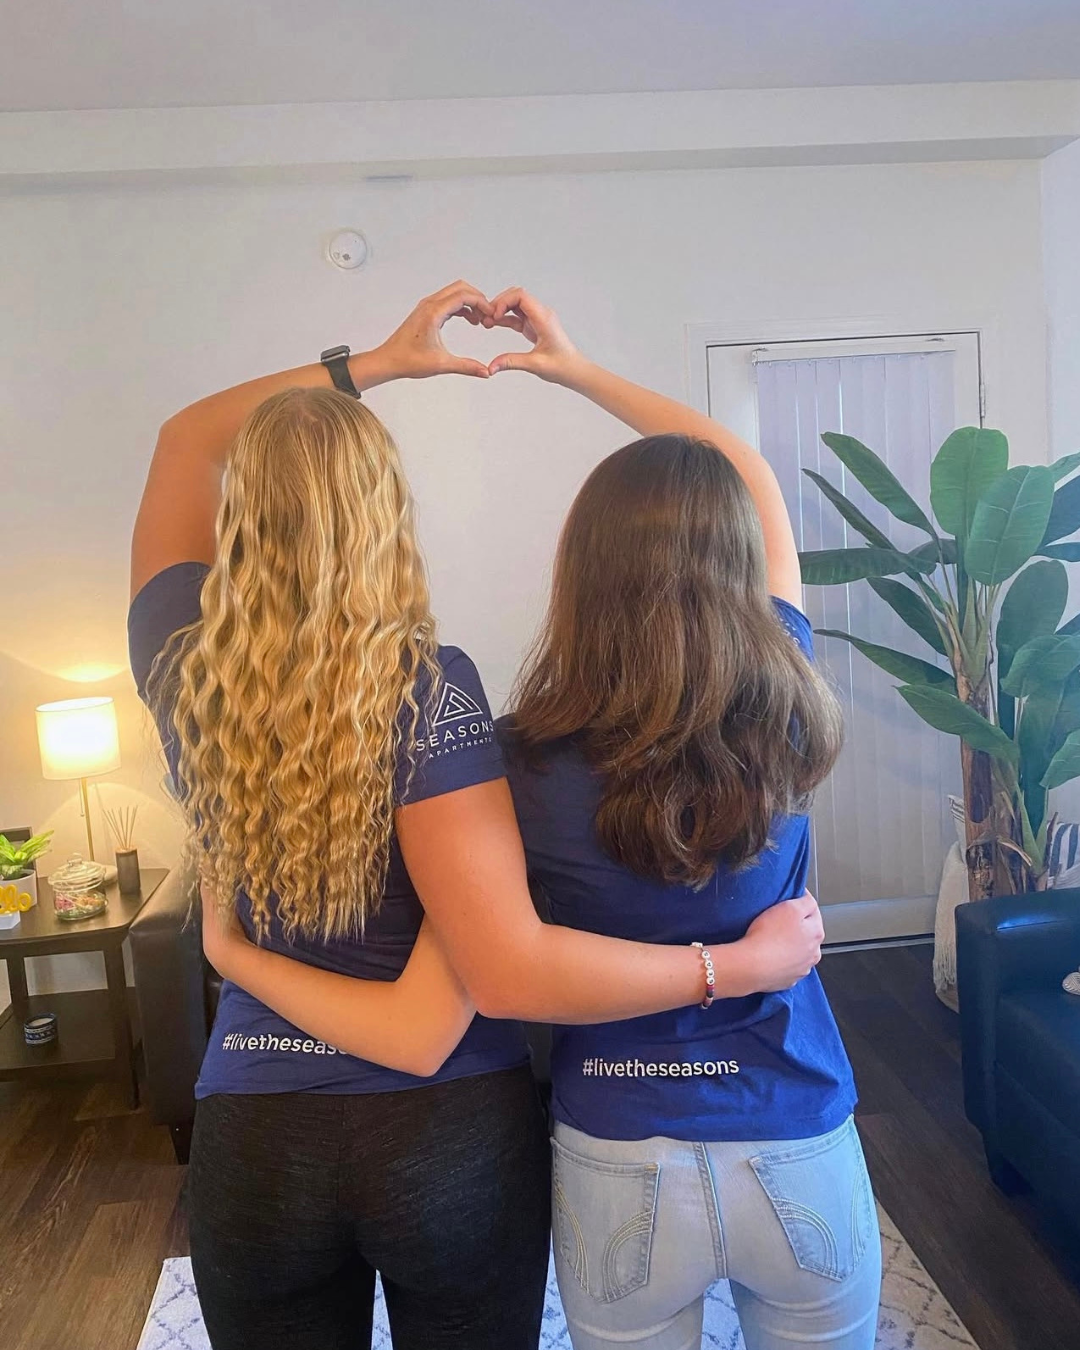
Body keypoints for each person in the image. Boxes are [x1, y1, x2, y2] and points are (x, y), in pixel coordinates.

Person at [128, 281, 826, 1350]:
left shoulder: (181, 660)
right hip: (444, 1138)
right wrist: (561, 367)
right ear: (388, 520)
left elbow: (185, 439)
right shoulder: (430, 690)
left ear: (238, 516)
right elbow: (428, 1026)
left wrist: (379, 362)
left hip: (255, 1135)